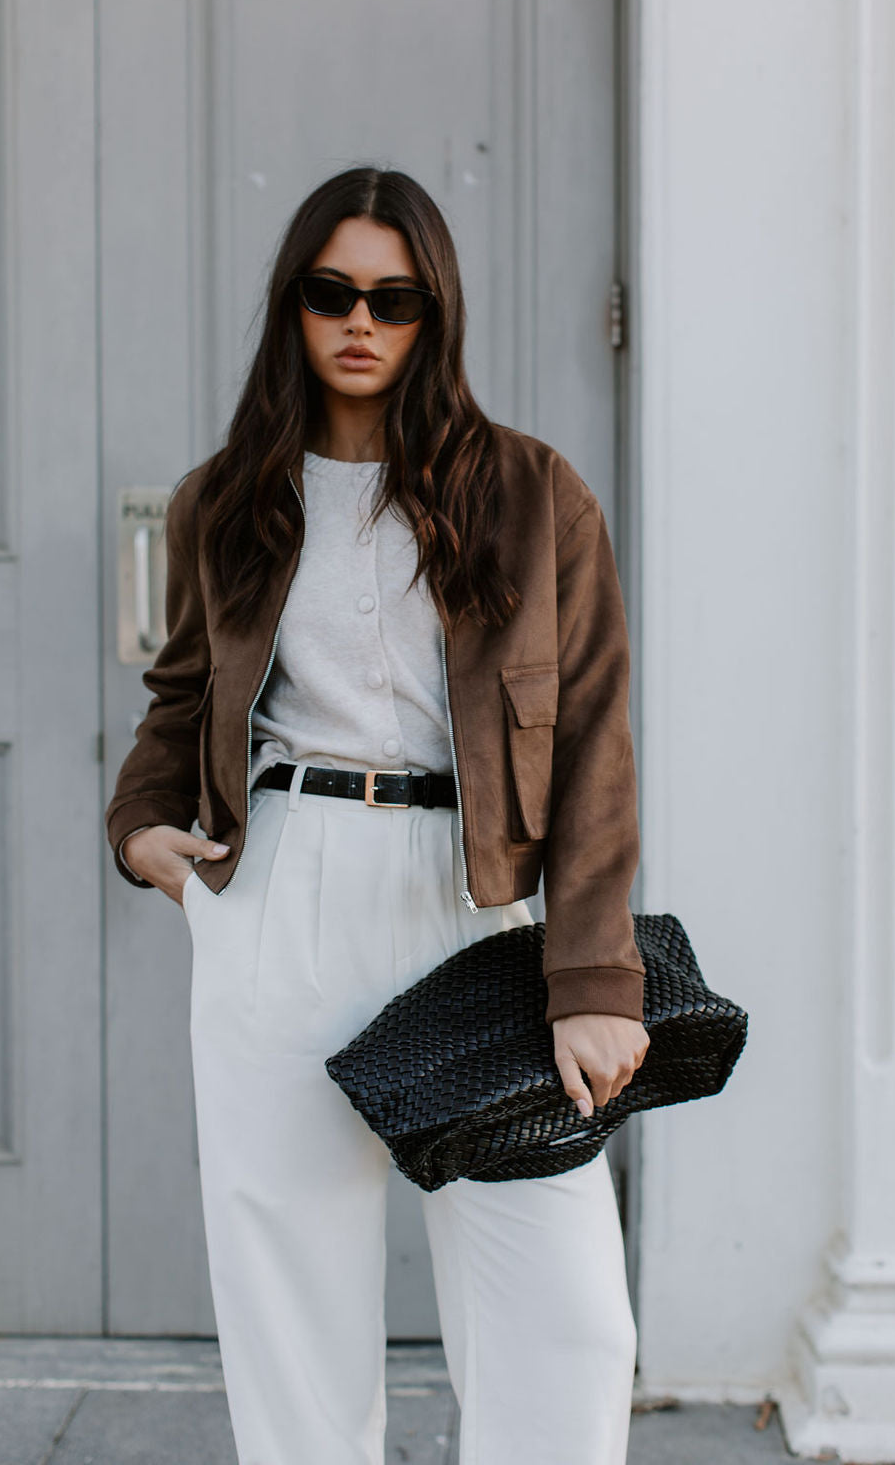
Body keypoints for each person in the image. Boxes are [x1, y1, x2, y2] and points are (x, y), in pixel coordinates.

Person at [105, 164, 649, 1465]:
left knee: (566, 1320)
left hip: (476, 909)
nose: (362, 321)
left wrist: (591, 975)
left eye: (394, 298)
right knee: (294, 1311)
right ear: (294, 306)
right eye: (332, 292)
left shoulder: (533, 496)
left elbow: (591, 745)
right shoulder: (226, 501)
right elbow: (180, 698)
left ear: (434, 314)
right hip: (283, 894)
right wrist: (141, 830)